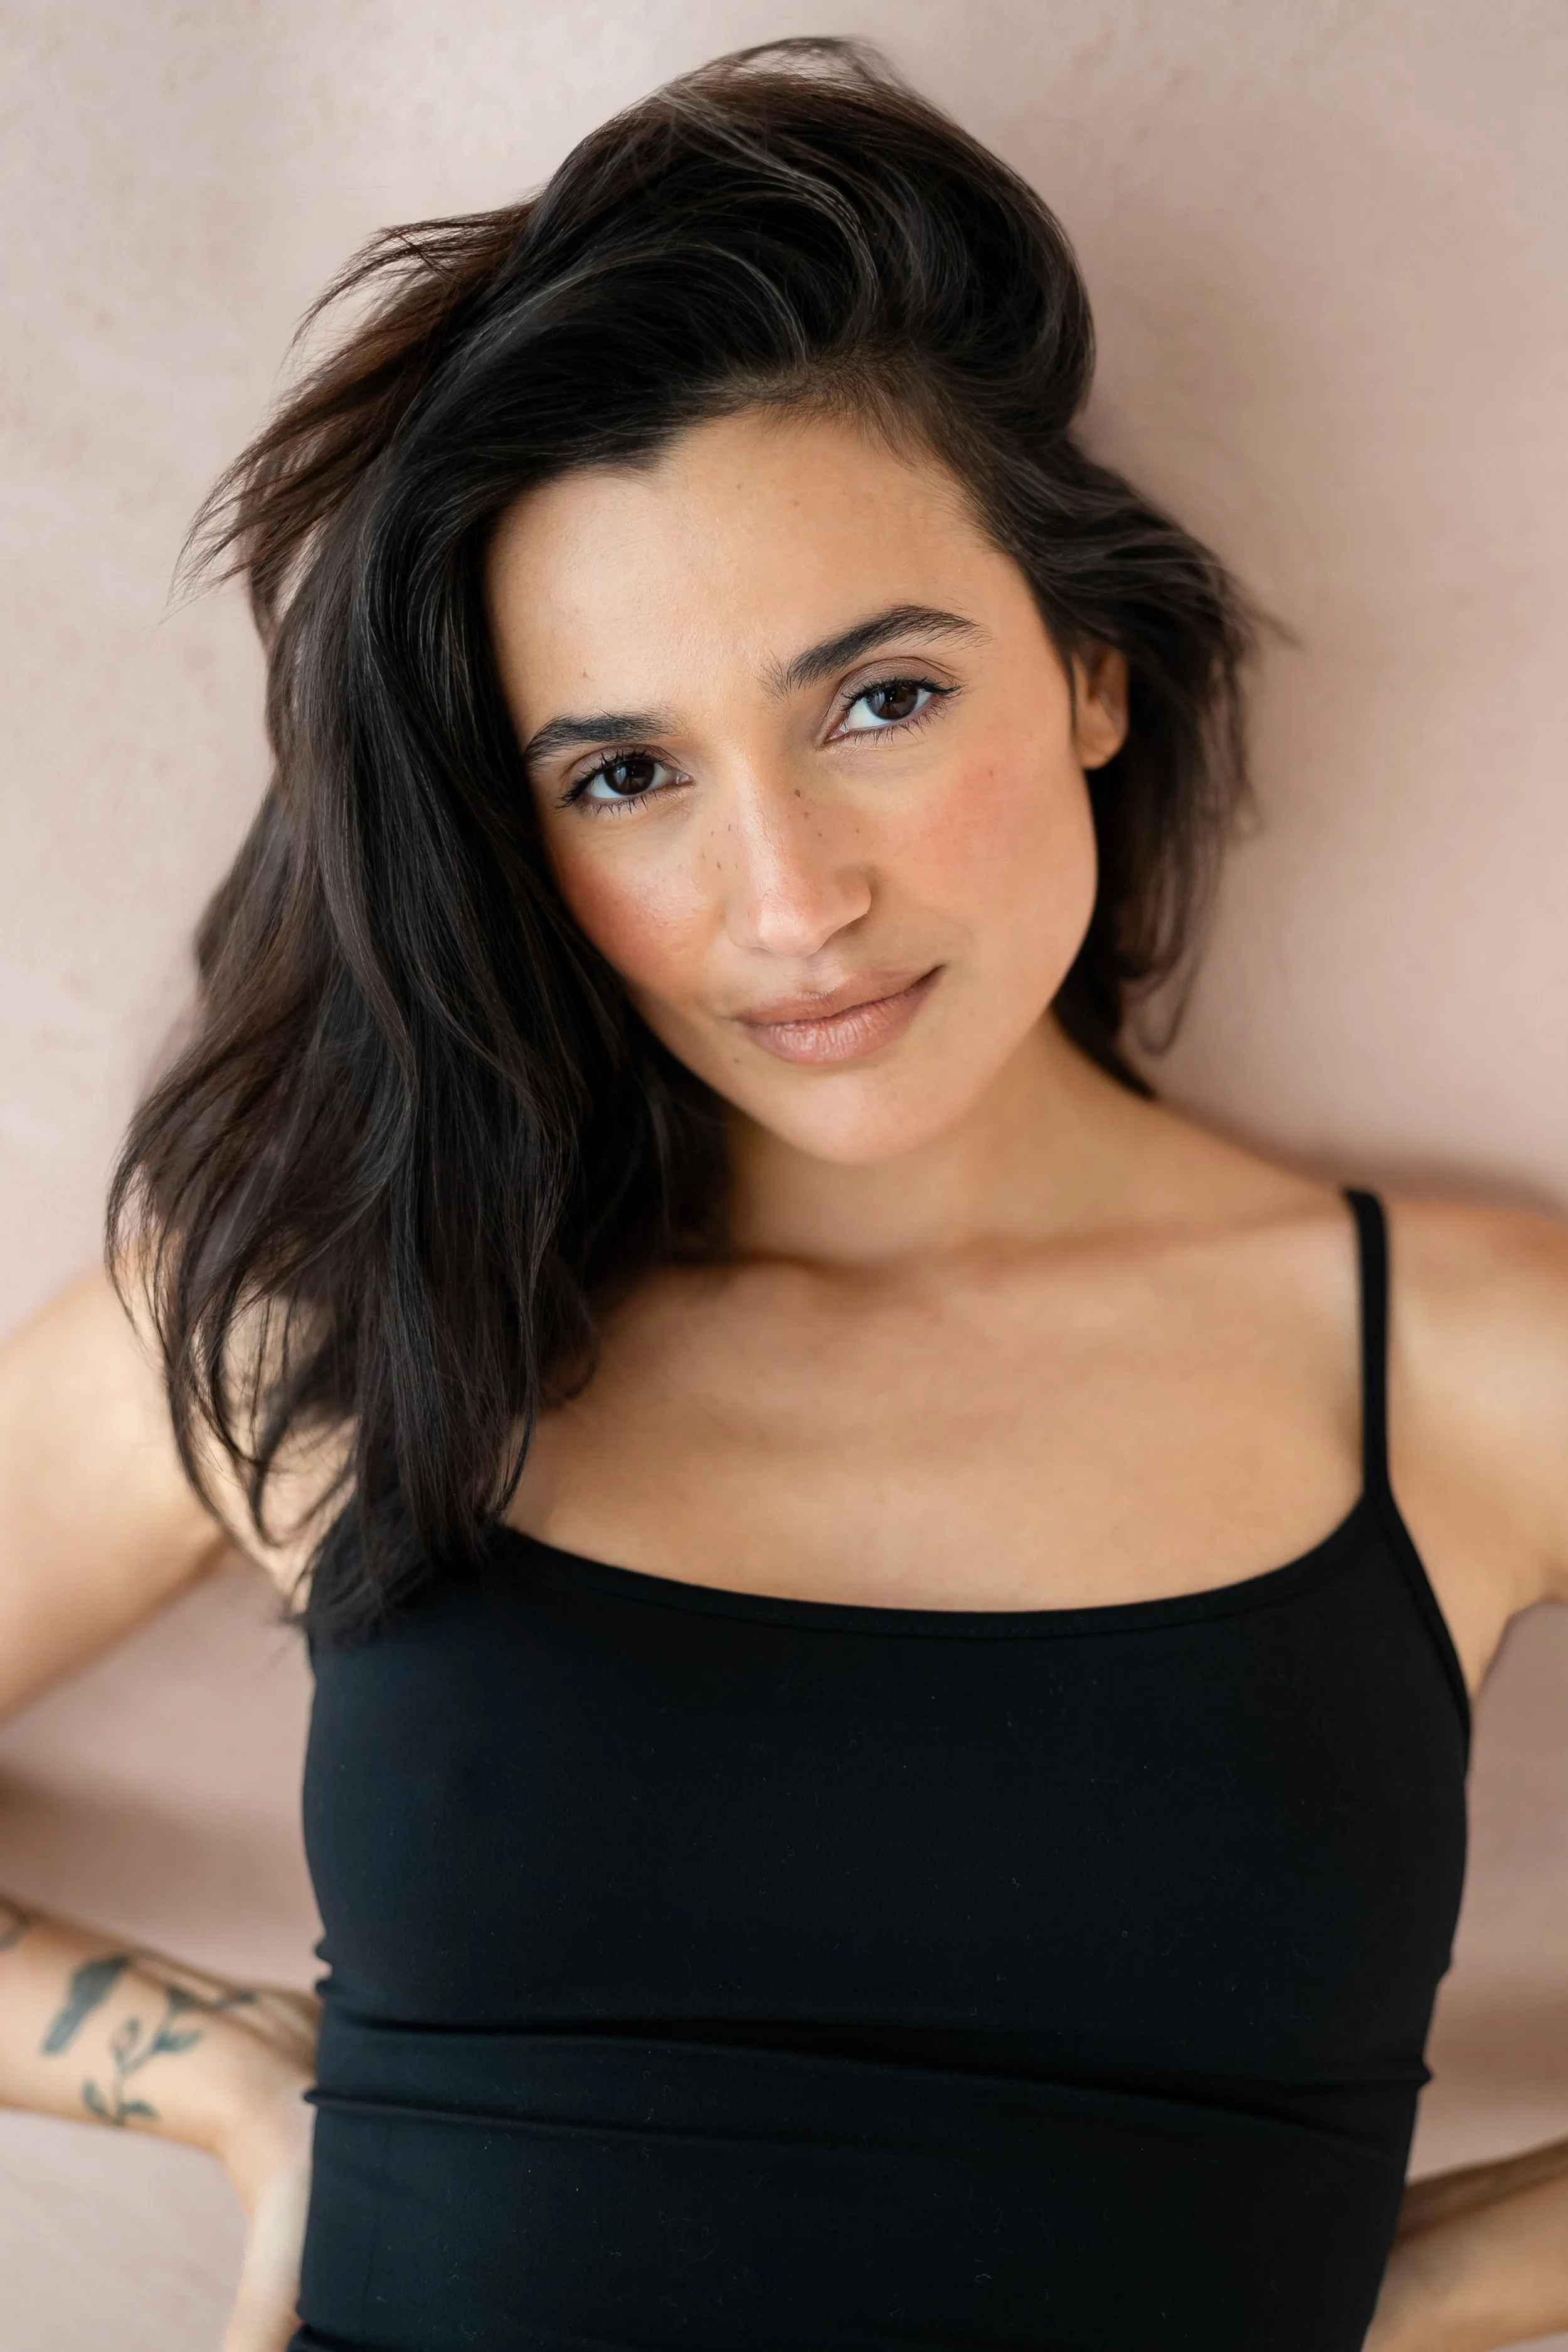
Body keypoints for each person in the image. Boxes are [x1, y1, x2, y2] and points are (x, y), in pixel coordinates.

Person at [0, 34, 1564, 2351]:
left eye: (878, 701)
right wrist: (222, 2076)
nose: (788, 900)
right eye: (623, 770)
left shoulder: (1465, 1357)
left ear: (1092, 669)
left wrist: (1360, 2282)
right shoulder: (340, 1308)